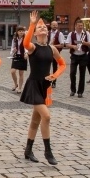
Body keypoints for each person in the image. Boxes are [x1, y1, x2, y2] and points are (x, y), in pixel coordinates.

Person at [20, 12, 66, 164]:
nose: (43, 29)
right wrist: (32, 24)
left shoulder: (52, 49)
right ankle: (48, 152)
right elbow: (25, 44)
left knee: (35, 120)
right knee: (46, 116)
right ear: (35, 33)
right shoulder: (33, 47)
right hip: (34, 85)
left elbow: (62, 64)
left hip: (45, 87)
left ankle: (28, 150)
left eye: (44, 27)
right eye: (39, 28)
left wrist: (54, 75)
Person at [66, 20, 90, 98]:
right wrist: (73, 46)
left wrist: (84, 43)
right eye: (79, 26)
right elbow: (67, 44)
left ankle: (80, 92)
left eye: (82, 26)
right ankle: (73, 90)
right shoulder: (71, 34)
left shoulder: (86, 33)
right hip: (74, 56)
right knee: (72, 73)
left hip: (83, 56)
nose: (81, 27)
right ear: (75, 26)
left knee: (82, 74)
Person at [10, 27, 27, 93]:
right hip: (16, 56)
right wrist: (13, 51)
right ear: (17, 32)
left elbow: (27, 48)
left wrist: (26, 53)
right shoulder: (14, 39)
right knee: (12, 71)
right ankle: (15, 84)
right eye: (20, 31)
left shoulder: (26, 39)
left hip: (23, 57)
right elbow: (12, 48)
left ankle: (20, 88)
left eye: (22, 31)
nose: (21, 32)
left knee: (21, 73)